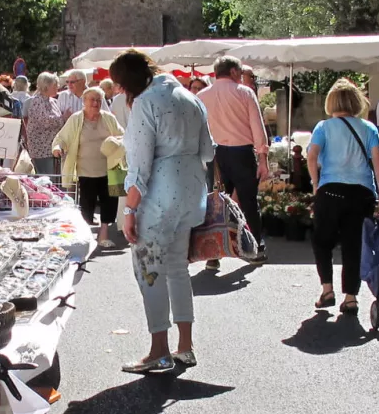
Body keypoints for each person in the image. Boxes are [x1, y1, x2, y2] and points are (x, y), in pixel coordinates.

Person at [115, 50, 213, 374]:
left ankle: (159, 349)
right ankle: (185, 345)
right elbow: (208, 150)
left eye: (118, 85)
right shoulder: (190, 97)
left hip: (160, 193)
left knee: (149, 270)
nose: (118, 92)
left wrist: (129, 209)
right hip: (191, 189)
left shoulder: (146, 102)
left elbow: (139, 165)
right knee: (177, 268)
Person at [306, 79, 379, 315]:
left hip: (330, 189)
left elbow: (312, 156)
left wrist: (315, 183)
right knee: (353, 245)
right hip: (362, 192)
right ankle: (351, 297)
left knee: (322, 241)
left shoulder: (323, 127)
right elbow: (378, 162)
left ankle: (327, 290)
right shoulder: (369, 128)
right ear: (356, 102)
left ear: (330, 102)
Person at [197, 55, 270, 266]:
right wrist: (262, 157)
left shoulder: (202, 96)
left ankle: (213, 253)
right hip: (241, 152)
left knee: (216, 202)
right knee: (248, 202)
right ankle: (255, 247)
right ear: (234, 72)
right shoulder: (244, 93)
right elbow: (257, 127)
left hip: (213, 154)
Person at [53, 85, 124, 248]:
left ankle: (104, 234)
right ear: (84, 101)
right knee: (87, 203)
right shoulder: (76, 119)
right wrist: (58, 148)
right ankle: (85, 236)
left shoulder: (108, 118)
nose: (96, 103)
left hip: (110, 167)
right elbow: (62, 137)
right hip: (85, 169)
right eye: (92, 99)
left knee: (110, 201)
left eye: (99, 100)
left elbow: (122, 135)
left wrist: (116, 143)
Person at [21, 72, 68, 176]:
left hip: (52, 148)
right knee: (46, 178)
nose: (58, 87)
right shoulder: (37, 101)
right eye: (55, 85)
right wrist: (63, 118)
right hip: (41, 150)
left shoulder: (52, 101)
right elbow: (45, 121)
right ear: (46, 86)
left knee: (53, 178)